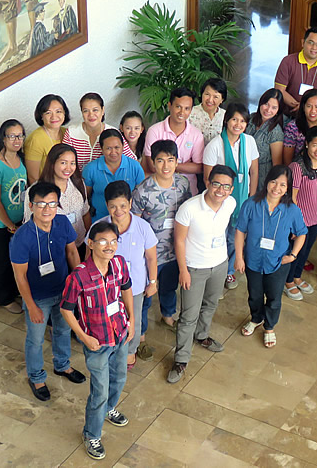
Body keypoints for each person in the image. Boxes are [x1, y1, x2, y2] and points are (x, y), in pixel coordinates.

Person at [59, 221, 134, 461]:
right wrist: (83, 337)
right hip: (97, 343)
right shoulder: (79, 276)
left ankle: (110, 409)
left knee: (120, 376)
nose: (109, 246)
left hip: (120, 333)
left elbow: (127, 289)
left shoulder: (120, 264)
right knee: (99, 390)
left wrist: (131, 320)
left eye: (113, 241)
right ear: (90, 244)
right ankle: (92, 433)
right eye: (102, 241)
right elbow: (66, 310)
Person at [10, 182, 84, 401]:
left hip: (63, 290)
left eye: (52, 203)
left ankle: (62, 366)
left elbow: (72, 252)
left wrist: (77, 284)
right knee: (35, 339)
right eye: (41, 204)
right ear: (31, 206)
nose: (47, 209)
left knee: (62, 331)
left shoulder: (61, 223)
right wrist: (31, 305)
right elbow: (20, 276)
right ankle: (36, 377)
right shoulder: (22, 237)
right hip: (37, 297)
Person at [169, 165, 237, 383]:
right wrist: (183, 270)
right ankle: (181, 360)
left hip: (219, 264)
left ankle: (202, 336)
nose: (220, 190)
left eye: (226, 186)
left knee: (211, 304)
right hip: (194, 268)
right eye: (216, 184)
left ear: (231, 189)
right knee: (188, 315)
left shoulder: (231, 204)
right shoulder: (190, 208)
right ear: (208, 182)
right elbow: (178, 240)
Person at [235, 165, 307, 347]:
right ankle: (256, 318)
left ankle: (269, 327)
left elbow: (301, 233)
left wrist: (293, 255)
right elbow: (240, 231)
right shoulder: (251, 204)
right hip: (253, 260)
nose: (277, 188)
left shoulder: (292, 210)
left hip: (278, 262)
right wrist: (239, 257)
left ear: (288, 188)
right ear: (267, 182)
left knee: (274, 297)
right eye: (274, 182)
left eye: (283, 185)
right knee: (255, 294)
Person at [94, 181, 157, 370]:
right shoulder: (99, 227)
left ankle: (130, 352)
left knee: (132, 319)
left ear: (130, 203)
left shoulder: (142, 227)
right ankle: (109, 348)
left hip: (135, 287)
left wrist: (152, 282)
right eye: (113, 206)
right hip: (107, 287)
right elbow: (91, 260)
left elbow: (152, 258)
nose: (118, 210)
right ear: (107, 206)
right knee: (107, 318)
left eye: (123, 205)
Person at [132, 140, 192, 338]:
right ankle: (140, 333)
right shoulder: (143, 191)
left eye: (170, 160)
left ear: (177, 162)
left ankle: (167, 314)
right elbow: (135, 225)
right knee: (146, 294)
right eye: (160, 161)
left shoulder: (183, 184)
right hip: (150, 255)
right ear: (153, 163)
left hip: (175, 250)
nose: (165, 166)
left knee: (169, 287)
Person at [203, 103, 259, 290]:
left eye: (242, 121)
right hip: (220, 201)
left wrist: (252, 196)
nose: (238, 124)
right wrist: (216, 201)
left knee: (236, 236)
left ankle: (228, 272)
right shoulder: (215, 145)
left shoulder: (249, 141)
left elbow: (254, 171)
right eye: (234, 119)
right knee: (219, 237)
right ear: (226, 120)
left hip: (243, 200)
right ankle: (215, 273)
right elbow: (208, 178)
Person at [0, 120, 28, 314]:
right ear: (3, 138)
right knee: (3, 260)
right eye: (12, 136)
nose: (17, 140)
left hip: (18, 220)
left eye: (20, 135)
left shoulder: (21, 158)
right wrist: (11, 226)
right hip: (0, 223)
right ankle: (4, 299)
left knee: (17, 258)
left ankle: (14, 291)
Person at [284, 127, 317, 300]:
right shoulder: (297, 167)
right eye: (315, 145)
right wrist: (294, 224)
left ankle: (296, 277)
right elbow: (291, 198)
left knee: (306, 251)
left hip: (316, 219)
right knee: (294, 251)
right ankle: (288, 281)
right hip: (300, 222)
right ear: (307, 144)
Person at [24, 144, 91, 260]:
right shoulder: (36, 191)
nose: (68, 168)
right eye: (63, 163)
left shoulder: (79, 184)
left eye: (72, 163)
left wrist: (89, 240)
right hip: (52, 251)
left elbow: (85, 213)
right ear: (52, 163)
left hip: (79, 244)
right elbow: (30, 226)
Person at [143, 87, 205, 195]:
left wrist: (167, 164)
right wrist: (185, 165)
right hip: (159, 192)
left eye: (187, 108)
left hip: (187, 192)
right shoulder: (154, 131)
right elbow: (152, 166)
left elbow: (199, 167)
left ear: (191, 110)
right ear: (169, 105)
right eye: (178, 107)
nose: (182, 112)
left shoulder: (196, 134)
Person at [83, 129, 145, 220]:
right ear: (101, 148)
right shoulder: (90, 169)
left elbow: (142, 195)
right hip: (99, 220)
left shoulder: (135, 166)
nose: (113, 152)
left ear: (123, 147)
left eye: (117, 147)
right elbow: (85, 196)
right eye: (108, 148)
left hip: (127, 220)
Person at [274, 27, 317, 116]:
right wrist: (299, 107)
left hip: (314, 116)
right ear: (303, 42)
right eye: (310, 43)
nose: (314, 47)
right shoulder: (288, 61)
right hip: (288, 113)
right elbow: (279, 90)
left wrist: (308, 107)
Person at [64, 93, 135, 171]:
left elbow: (133, 161)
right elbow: (63, 161)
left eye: (95, 110)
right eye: (86, 111)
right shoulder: (71, 133)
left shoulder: (112, 133)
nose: (91, 115)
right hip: (75, 181)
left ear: (103, 110)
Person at [282, 88, 317, 164]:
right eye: (309, 106)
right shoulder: (293, 128)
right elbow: (287, 161)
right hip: (299, 170)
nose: (313, 111)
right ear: (303, 107)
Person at [24, 94, 70, 183]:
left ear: (65, 113)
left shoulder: (67, 133)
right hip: (46, 190)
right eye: (48, 113)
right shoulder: (36, 139)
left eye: (58, 111)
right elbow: (33, 178)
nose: (54, 117)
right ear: (41, 116)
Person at [247, 89, 285, 190]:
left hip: (261, 177)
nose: (268, 110)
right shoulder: (250, 118)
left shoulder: (275, 132)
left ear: (278, 111)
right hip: (243, 170)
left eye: (274, 107)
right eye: (266, 104)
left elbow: (276, 164)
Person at [188, 78, 228, 144]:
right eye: (207, 94)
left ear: (222, 99)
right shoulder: (190, 113)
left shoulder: (226, 116)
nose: (210, 100)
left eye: (215, 97)